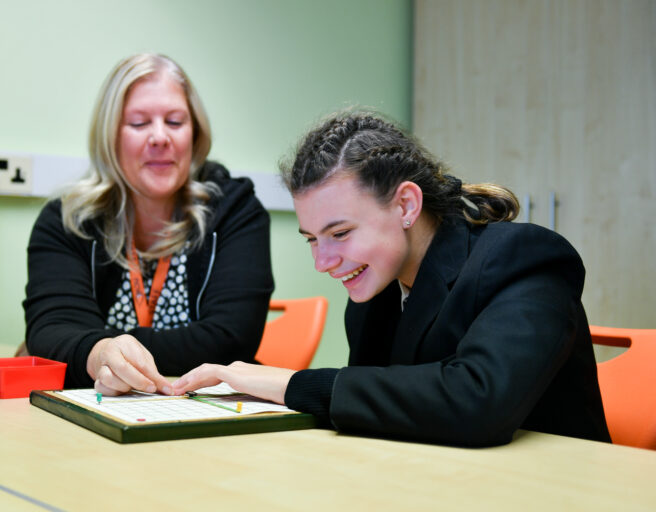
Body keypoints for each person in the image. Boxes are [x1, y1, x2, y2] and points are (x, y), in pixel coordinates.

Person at [171, 111, 611, 447]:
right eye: (311, 239)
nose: (323, 262)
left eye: (340, 233)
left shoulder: (525, 258)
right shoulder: (375, 291)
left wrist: (292, 385)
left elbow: (478, 401)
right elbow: (382, 407)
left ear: (405, 206)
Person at [22, 53, 274, 393]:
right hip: (104, 407)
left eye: (174, 122)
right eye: (139, 123)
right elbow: (52, 330)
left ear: (194, 134)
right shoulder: (67, 221)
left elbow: (231, 339)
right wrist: (93, 352)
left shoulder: (236, 211)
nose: (160, 137)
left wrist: (95, 349)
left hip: (209, 410)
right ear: (110, 137)